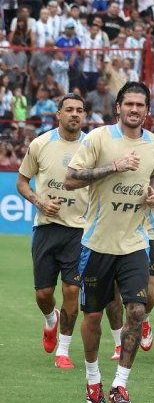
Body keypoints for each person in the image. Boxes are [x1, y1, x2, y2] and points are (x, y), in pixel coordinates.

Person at [65, 82, 154, 403]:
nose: (134, 109)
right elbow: (71, 178)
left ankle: (120, 385)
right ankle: (93, 380)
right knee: (92, 316)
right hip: (96, 244)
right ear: (118, 107)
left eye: (141, 105)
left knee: (136, 311)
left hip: (134, 243)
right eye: (129, 104)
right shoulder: (99, 139)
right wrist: (113, 167)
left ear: (147, 110)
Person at [17, 93, 89, 370]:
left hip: (79, 230)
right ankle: (51, 319)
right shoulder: (41, 143)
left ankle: (64, 349)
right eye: (69, 110)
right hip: (46, 228)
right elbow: (22, 181)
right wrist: (40, 202)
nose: (74, 114)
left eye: (79, 110)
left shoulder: (92, 146)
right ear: (58, 114)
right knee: (44, 294)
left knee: (72, 289)